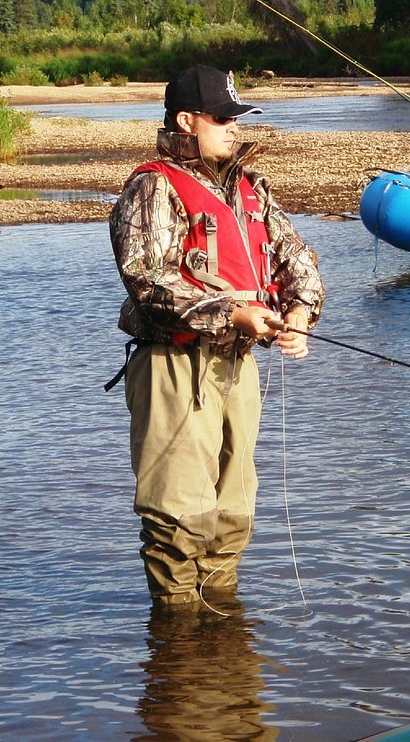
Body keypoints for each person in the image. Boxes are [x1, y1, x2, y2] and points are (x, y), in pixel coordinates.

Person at [109, 64, 326, 607]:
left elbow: (298, 259)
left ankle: (224, 651)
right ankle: (178, 651)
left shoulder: (249, 187)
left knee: (232, 516)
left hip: (238, 368)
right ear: (187, 121)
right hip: (175, 367)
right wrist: (232, 314)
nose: (235, 127)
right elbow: (147, 279)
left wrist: (299, 314)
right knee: (178, 521)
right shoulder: (152, 186)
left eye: (238, 116)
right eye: (222, 117)